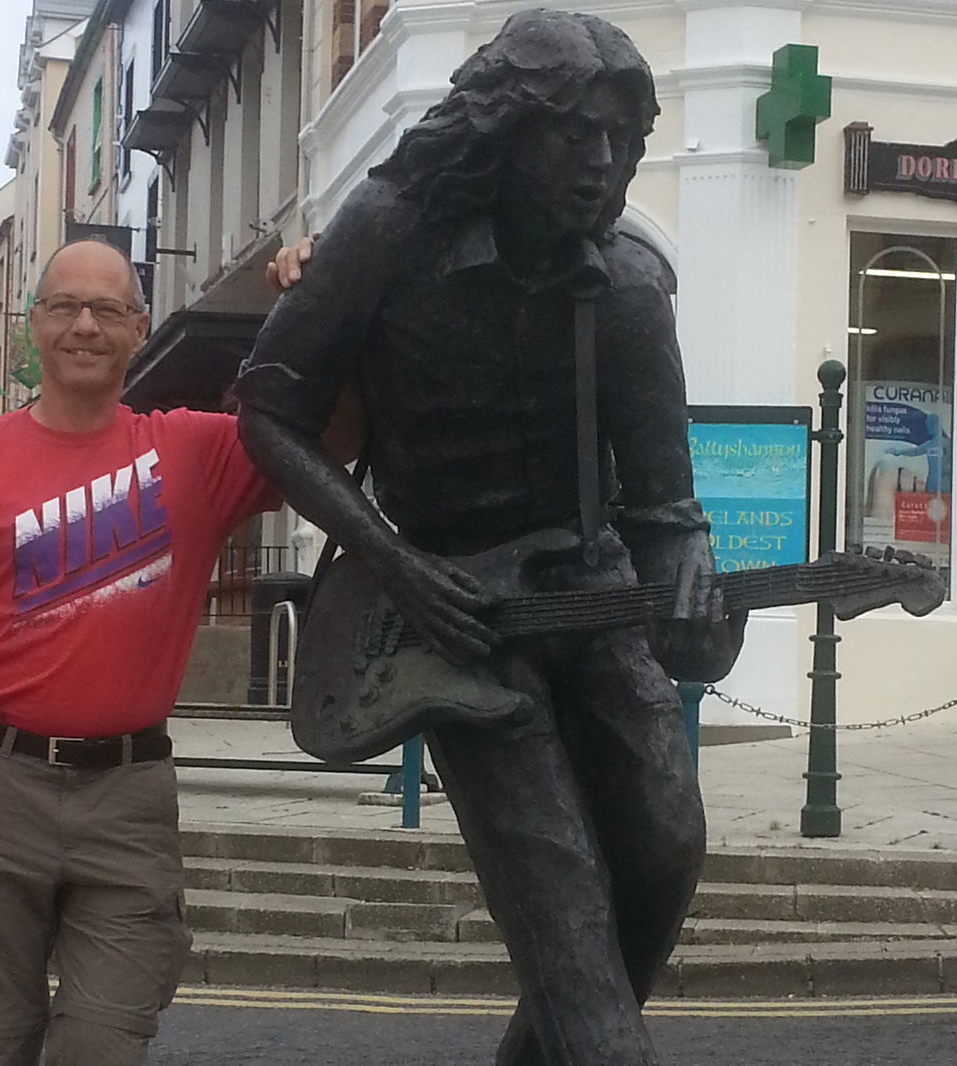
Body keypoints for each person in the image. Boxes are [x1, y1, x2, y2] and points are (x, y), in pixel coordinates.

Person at [238, 10, 745, 1065]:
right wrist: (391, 558)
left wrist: (693, 595)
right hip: (444, 612)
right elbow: (268, 411)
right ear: (506, 130)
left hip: (585, 588)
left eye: (622, 141)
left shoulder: (632, 293)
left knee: (665, 838)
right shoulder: (385, 231)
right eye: (574, 134)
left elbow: (663, 517)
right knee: (561, 896)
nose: (600, 166)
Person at [0, 237, 282, 1065]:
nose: (84, 327)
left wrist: (310, 290)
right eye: (64, 307)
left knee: (103, 1045)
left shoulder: (196, 453)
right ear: (34, 328)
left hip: (129, 801)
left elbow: (330, 432)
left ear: (139, 328)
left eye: (107, 310)